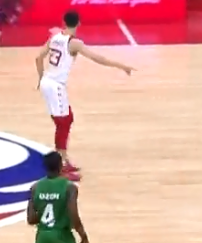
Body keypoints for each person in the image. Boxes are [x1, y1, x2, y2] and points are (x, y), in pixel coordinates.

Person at [35, 11, 134, 181]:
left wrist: (40, 78)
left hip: (47, 82)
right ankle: (61, 166)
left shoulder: (55, 37)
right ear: (79, 23)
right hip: (56, 85)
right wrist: (121, 65)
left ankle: (63, 159)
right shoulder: (75, 43)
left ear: (64, 21)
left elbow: (38, 57)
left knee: (66, 120)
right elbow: (98, 58)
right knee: (63, 123)